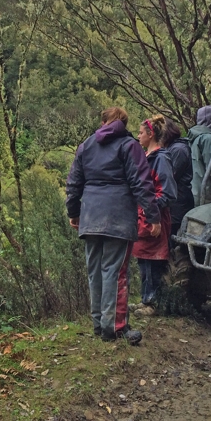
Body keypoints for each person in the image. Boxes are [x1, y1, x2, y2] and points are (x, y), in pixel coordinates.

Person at [66, 107, 160, 344]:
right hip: (118, 216)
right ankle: (115, 327)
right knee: (115, 272)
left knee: (94, 270)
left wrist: (74, 212)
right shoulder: (129, 146)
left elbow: (74, 181)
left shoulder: (86, 145)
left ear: (103, 121)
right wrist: (153, 216)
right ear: (124, 123)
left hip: (90, 215)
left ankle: (99, 324)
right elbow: (141, 182)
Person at [132, 115, 177, 317]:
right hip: (143, 216)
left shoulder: (161, 159)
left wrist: (151, 210)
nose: (138, 136)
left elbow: (167, 192)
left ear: (150, 135)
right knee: (143, 258)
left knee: (152, 260)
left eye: (141, 133)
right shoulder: (147, 157)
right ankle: (145, 298)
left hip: (155, 218)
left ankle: (152, 302)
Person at [163, 118, 194, 239]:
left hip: (178, 204)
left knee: (173, 238)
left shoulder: (178, 150)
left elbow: (170, 176)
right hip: (174, 203)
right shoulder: (170, 148)